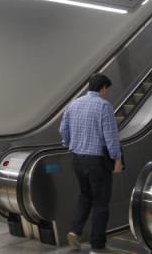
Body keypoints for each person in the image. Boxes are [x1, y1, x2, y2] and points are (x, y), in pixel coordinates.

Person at [60, 74, 124, 253]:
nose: (107, 93)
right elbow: (110, 136)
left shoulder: (74, 104)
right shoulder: (104, 106)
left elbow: (63, 129)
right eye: (108, 89)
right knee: (101, 202)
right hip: (97, 161)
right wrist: (117, 159)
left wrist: (68, 143)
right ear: (103, 87)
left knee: (85, 196)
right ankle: (98, 243)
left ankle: (75, 230)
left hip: (78, 160)